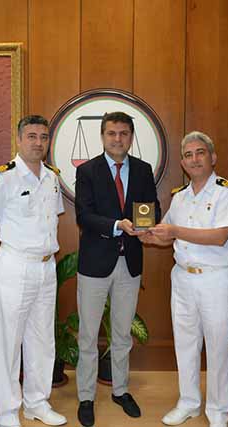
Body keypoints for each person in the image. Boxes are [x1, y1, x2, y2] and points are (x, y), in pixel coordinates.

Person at [140, 131, 228, 427]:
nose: (194, 159)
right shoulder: (180, 197)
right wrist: (149, 235)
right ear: (183, 163)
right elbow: (167, 237)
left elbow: (220, 236)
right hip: (183, 279)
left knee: (218, 347)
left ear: (212, 157)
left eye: (200, 153)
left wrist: (174, 232)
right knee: (185, 344)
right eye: (188, 155)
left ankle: (218, 411)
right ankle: (189, 402)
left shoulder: (227, 191)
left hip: (215, 280)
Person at [0, 115, 67, 427]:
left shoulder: (52, 177)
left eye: (44, 137)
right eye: (31, 136)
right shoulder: (2, 178)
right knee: (9, 343)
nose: (38, 143)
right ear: (18, 139)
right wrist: (2, 260)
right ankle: (7, 412)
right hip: (14, 266)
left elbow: (52, 221)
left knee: (42, 340)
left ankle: (37, 403)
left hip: (46, 268)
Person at [74, 111, 160, 427]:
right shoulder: (87, 171)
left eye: (124, 133)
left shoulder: (142, 169)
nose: (118, 139)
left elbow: (152, 207)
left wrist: (145, 225)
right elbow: (84, 216)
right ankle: (86, 397)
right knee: (88, 335)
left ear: (131, 137)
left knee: (122, 333)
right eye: (112, 133)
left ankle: (120, 391)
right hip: (95, 264)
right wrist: (117, 225)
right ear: (103, 136)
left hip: (130, 262)